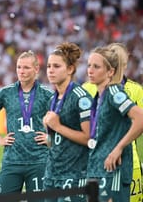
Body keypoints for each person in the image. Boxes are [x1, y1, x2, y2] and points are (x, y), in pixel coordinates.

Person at [0, 50, 53, 197]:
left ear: (36, 69)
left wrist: (50, 138)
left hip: (39, 161)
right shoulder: (5, 93)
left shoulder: (47, 94)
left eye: (26, 67)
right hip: (12, 161)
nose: (22, 71)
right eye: (19, 67)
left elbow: (62, 121)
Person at [83, 43, 143, 202]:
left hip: (113, 170)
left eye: (96, 67)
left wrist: (119, 148)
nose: (90, 70)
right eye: (89, 65)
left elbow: (140, 119)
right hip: (96, 168)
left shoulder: (114, 92)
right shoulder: (98, 95)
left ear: (110, 72)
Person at [43, 42, 93, 202]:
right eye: (49, 65)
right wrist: (48, 137)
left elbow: (89, 139)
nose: (50, 70)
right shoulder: (52, 99)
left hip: (74, 176)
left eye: (56, 66)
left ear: (70, 69)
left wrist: (57, 126)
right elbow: (54, 140)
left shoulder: (81, 97)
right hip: (51, 174)